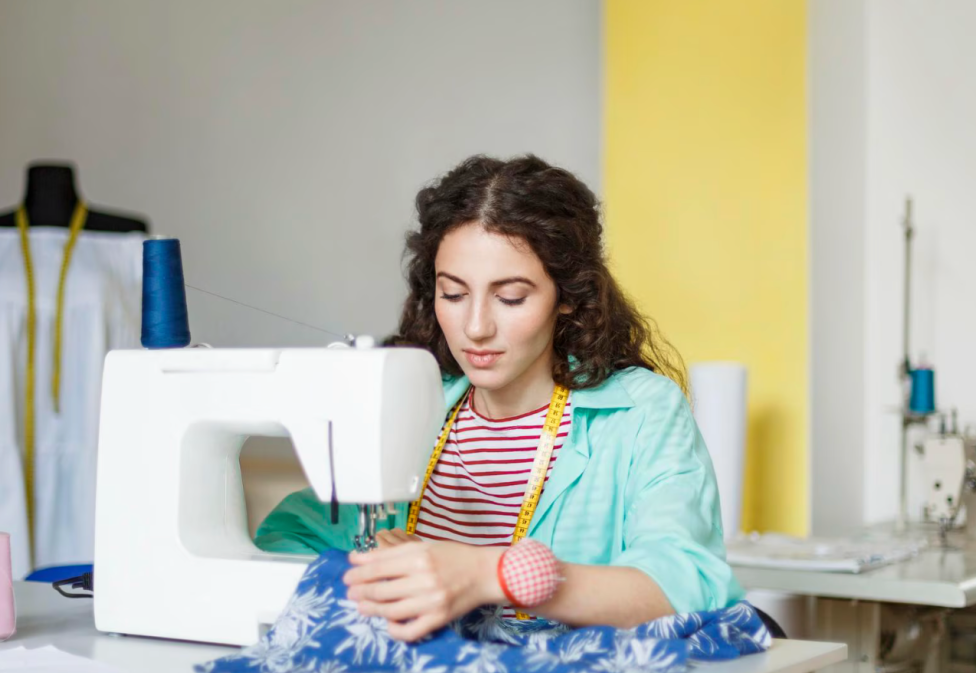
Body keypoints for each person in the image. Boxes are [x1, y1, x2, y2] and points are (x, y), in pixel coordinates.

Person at [255, 155, 743, 642]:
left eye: (510, 298)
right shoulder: (416, 405)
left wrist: (493, 576)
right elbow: (287, 535)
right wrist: (371, 574)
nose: (475, 328)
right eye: (453, 294)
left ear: (569, 295)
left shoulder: (638, 412)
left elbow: (685, 585)